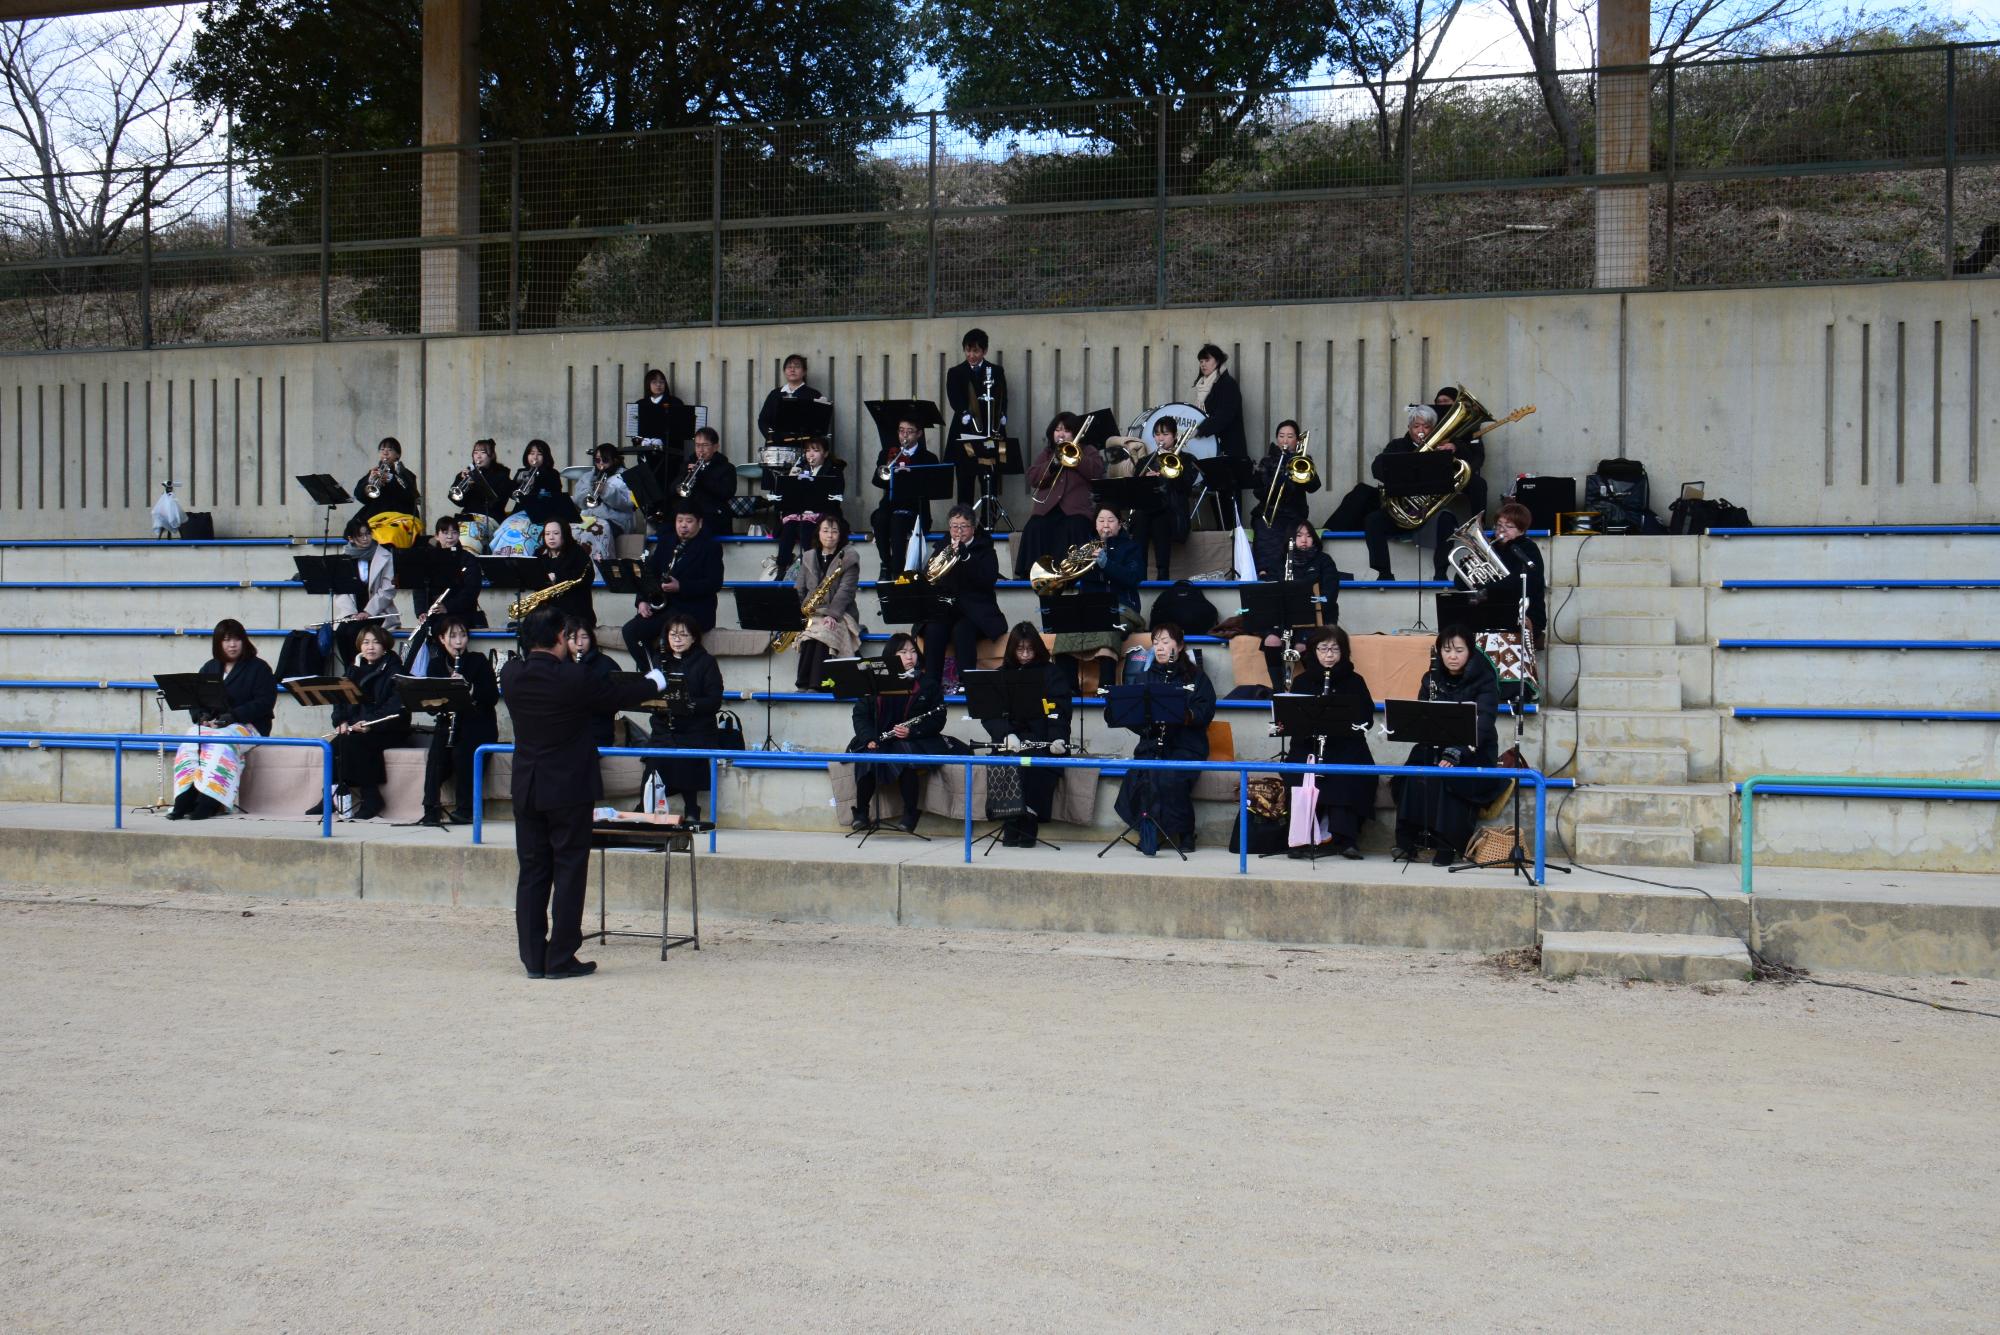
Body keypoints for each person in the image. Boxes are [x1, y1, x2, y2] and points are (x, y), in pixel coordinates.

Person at [500, 606, 668, 979]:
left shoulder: (511, 675)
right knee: (569, 871)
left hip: (527, 786)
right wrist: (655, 681)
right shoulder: (572, 678)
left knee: (532, 873)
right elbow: (615, 695)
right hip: (568, 788)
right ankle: (560, 958)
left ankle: (533, 958)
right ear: (560, 637)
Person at [1392, 625, 1505, 866]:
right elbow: (1422, 714)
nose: (1452, 656)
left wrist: (1458, 751)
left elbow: (1484, 723)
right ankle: (1407, 841)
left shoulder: (1485, 679)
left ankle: (1448, 843)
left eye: (1459, 650)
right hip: (1435, 743)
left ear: (1470, 652)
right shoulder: (1431, 677)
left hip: (1474, 748)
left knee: (1451, 777)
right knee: (1411, 773)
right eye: (1447, 650)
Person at [1112, 622, 1216, 856]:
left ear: (1179, 646)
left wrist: (1186, 715)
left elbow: (1206, 711)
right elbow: (1137, 717)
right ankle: (1146, 831)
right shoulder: (1146, 677)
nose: (1159, 647)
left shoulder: (1197, 677)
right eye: (1156, 642)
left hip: (1186, 745)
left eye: (1165, 642)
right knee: (1138, 775)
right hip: (1152, 742)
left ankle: (1186, 831)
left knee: (1170, 776)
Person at [1275, 625, 1375, 860]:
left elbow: (1366, 718)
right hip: (1309, 744)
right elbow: (1291, 719)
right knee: (1299, 773)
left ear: (1344, 652)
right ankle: (1301, 837)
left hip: (1345, 743)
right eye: (1323, 649)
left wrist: (1349, 723)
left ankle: (1345, 838)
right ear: (1314, 651)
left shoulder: (1355, 681)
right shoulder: (1302, 681)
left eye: (1335, 649)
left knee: (1348, 772)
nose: (1329, 655)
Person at [166, 619, 277, 822]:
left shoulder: (259, 668)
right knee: (190, 737)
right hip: (214, 726)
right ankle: (185, 797)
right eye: (226, 640)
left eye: (236, 639)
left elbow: (265, 702)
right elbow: (195, 700)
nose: (232, 645)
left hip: (248, 725)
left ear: (244, 641)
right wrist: (201, 717)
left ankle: (209, 801)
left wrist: (234, 716)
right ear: (218, 643)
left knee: (221, 740)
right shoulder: (210, 667)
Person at [977, 623, 1073, 848]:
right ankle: (1010, 820)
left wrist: (1057, 738)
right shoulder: (1001, 675)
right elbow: (989, 714)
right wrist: (1006, 734)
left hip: (1043, 738)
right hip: (1011, 739)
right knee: (1005, 760)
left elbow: (1059, 709)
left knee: (1034, 764)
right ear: (1012, 650)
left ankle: (1029, 821)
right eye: (1020, 650)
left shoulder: (1052, 674)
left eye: (1030, 650)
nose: (1025, 655)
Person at [845, 633, 945, 834]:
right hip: (878, 736)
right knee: (868, 754)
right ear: (891, 655)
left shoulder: (928, 683)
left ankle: (910, 813)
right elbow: (860, 714)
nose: (910, 657)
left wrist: (912, 731)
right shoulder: (874, 681)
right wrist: (869, 738)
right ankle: (862, 813)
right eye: (903, 652)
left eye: (913, 652)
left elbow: (938, 719)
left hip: (913, 738)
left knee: (904, 754)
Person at [314, 623, 411, 822]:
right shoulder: (353, 669)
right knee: (334, 745)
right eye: (366, 642)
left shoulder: (396, 670)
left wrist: (369, 723)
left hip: (389, 728)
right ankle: (330, 796)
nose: (370, 647)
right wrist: (340, 721)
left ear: (385, 646)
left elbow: (394, 707)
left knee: (354, 743)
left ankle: (371, 797)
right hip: (359, 727)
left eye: (376, 642)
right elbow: (340, 699)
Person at [1048, 504, 1144, 696]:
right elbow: (1069, 582)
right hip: (1090, 607)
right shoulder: (1086, 548)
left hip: (1123, 608)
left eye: (1111, 520)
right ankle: (1069, 688)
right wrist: (1063, 576)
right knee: (1065, 627)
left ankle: (1105, 687)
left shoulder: (1131, 548)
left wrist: (1107, 564)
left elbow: (1133, 577)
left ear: (1120, 524)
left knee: (1108, 625)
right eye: (1101, 521)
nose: (1105, 525)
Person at [622, 503, 724, 670]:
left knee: (666, 634)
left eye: (689, 521)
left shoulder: (710, 547)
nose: (683, 525)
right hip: (664, 608)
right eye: (680, 520)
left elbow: (714, 583)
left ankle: (666, 679)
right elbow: (649, 574)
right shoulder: (666, 543)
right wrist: (642, 601)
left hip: (693, 610)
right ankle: (652, 676)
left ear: (700, 523)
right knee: (630, 631)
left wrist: (681, 587)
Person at [914, 505, 1006, 690]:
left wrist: (965, 557)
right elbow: (929, 575)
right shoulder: (942, 546)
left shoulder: (985, 549)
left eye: (963, 526)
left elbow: (987, 580)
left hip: (976, 611)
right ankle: (932, 682)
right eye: (954, 526)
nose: (958, 531)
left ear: (973, 528)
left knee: (962, 631)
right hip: (947, 608)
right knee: (933, 628)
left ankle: (966, 682)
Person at [419, 617, 499, 827]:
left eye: (462, 635)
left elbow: (490, 697)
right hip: (449, 723)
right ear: (441, 639)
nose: (459, 641)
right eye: (452, 636)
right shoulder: (436, 665)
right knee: (436, 755)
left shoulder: (478, 661)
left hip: (478, 724)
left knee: (463, 753)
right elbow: (430, 706)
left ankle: (466, 809)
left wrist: (469, 689)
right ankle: (430, 808)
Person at [642, 616, 723, 821]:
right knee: (655, 761)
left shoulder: (706, 662)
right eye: (672, 634)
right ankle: (647, 809)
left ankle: (691, 809)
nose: (677, 639)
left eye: (683, 635)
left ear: (694, 638)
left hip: (695, 727)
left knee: (686, 758)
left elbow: (714, 700)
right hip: (664, 726)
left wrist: (689, 705)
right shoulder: (659, 660)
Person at [1016, 411, 1105, 579]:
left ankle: (1070, 573)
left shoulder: (1088, 450)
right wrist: (1053, 464)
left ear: (1075, 433)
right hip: (1047, 509)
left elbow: (1097, 473)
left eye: (1066, 430)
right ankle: (1032, 573)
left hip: (1076, 510)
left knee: (1075, 526)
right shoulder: (1048, 453)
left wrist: (1076, 457)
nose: (1061, 434)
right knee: (1035, 526)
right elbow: (1033, 478)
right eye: (1057, 430)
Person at [1256, 519, 1343, 690]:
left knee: (1302, 645)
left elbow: (1330, 595)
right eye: (1299, 535)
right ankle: (1279, 690)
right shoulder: (1279, 562)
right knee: (1272, 640)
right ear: (1290, 539)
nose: (1304, 539)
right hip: (1284, 617)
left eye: (1309, 535)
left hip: (1316, 616)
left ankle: (1316, 688)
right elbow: (1270, 593)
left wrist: (1310, 603)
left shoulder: (1324, 561)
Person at [1106, 414, 1193, 580]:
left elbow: (1186, 489)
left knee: (1160, 519)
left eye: (1165, 434)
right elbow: (1134, 491)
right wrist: (1147, 481)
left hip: (1172, 512)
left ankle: (1162, 575)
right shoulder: (1145, 461)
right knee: (1141, 517)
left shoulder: (1186, 460)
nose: (1161, 438)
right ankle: (1139, 574)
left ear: (1175, 437)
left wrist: (1166, 477)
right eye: (1157, 434)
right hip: (1146, 512)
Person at [791, 512, 861, 693]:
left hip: (841, 612)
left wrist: (832, 614)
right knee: (810, 630)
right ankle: (804, 682)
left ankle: (817, 683)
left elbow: (846, 591)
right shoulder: (808, 557)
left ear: (840, 535)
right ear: (818, 533)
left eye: (834, 531)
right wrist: (793, 614)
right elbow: (799, 589)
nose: (830, 535)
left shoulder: (849, 558)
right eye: (825, 531)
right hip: (812, 611)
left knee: (823, 629)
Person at [869, 413, 938, 579]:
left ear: (919, 434)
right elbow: (877, 481)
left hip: (915, 508)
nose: (904, 435)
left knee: (898, 522)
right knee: (879, 518)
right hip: (891, 505)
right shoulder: (888, 454)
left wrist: (912, 475)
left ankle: (897, 570)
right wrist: (891, 472)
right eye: (901, 431)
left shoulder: (928, 458)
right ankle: (886, 563)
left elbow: (934, 488)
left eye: (910, 431)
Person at [944, 328, 1009, 505]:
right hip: (965, 433)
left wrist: (1002, 415)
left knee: (990, 481)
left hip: (989, 433)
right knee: (965, 480)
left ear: (984, 351)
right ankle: (963, 526)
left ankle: (988, 525)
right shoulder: (955, 372)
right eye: (968, 350)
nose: (971, 355)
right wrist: (963, 413)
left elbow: (1002, 396)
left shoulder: (995, 371)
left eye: (976, 351)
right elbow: (954, 398)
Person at [1250, 420, 1321, 578]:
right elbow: (1257, 491)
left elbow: (1314, 487)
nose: (1285, 440)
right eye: (1281, 436)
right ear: (1277, 439)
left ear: (1297, 440)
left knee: (1291, 531)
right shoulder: (1267, 460)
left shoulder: (1302, 459)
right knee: (1265, 529)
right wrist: (1275, 485)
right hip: (1268, 512)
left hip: (1294, 512)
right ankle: (1265, 573)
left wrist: (1299, 475)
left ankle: (1287, 574)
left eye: (1290, 436)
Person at [773, 437, 846, 580]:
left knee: (806, 527)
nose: (810, 455)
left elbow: (836, 497)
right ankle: (782, 567)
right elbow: (786, 499)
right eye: (808, 451)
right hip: (801, 512)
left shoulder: (834, 471)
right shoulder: (800, 469)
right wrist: (791, 479)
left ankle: (812, 569)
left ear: (825, 454)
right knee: (789, 527)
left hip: (823, 513)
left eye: (816, 450)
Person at [1191, 345, 1248, 526]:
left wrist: (1200, 430)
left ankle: (1233, 537)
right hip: (1214, 450)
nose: (1203, 364)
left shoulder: (1227, 384)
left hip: (1228, 450)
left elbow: (1224, 416)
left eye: (1207, 360)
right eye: (1201, 361)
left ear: (1218, 360)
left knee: (1229, 499)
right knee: (1216, 497)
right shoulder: (1205, 385)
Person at [1485, 500, 1546, 636]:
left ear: (1522, 530)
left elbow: (1519, 584)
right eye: (1499, 525)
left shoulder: (1527, 549)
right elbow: (1460, 583)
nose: (1501, 530)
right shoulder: (1490, 547)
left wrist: (1485, 588)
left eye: (1509, 526)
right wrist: (1465, 566)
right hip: (1491, 609)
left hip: (1526, 613)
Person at [574, 442, 637, 560]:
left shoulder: (626, 476)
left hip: (615, 521)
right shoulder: (588, 476)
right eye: (597, 460)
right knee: (570, 531)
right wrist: (589, 489)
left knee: (592, 534)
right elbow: (578, 500)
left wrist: (606, 491)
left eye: (605, 460)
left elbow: (629, 504)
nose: (601, 464)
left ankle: (599, 570)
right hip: (589, 519)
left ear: (615, 460)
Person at [563, 618, 619, 750]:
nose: (579, 643)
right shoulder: (559, 664)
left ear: (592, 639)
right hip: (565, 732)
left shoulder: (606, 664)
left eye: (584, 637)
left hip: (596, 733)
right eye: (573, 638)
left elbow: (616, 700)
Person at [533, 518, 596, 630]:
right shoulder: (539, 554)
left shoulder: (577, 552)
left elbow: (586, 577)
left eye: (556, 533)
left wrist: (557, 576)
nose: (551, 537)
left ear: (565, 534)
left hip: (574, 613)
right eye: (547, 534)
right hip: (546, 612)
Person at [673, 426, 736, 533]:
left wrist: (702, 476)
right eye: (697, 445)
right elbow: (673, 490)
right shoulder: (687, 464)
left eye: (705, 445)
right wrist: (685, 474)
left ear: (716, 447)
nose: (700, 450)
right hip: (691, 518)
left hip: (714, 518)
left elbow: (727, 493)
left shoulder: (727, 467)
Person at [632, 367, 686, 486]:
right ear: (648, 384)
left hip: (669, 456)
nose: (658, 385)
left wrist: (662, 441)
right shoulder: (640, 404)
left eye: (662, 381)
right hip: (646, 454)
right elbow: (633, 431)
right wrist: (641, 441)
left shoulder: (675, 403)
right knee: (648, 487)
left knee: (667, 485)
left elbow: (681, 431)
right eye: (654, 382)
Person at [757, 354, 827, 443]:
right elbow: (763, 420)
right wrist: (771, 437)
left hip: (804, 447)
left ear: (804, 372)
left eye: (797, 367)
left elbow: (819, 425)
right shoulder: (774, 394)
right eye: (789, 367)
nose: (792, 370)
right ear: (784, 371)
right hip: (776, 446)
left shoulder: (814, 394)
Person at [507, 440, 576, 527]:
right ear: (527, 455)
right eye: (532, 453)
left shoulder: (553, 474)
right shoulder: (521, 472)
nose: (535, 457)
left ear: (546, 457)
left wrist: (536, 484)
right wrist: (517, 481)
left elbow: (554, 495)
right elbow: (512, 494)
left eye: (539, 454)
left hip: (542, 514)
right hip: (521, 512)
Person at [353, 436, 420, 524]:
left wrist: (391, 479)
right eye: (382, 449)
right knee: (353, 527)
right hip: (377, 516)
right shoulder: (374, 472)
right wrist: (369, 481)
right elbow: (360, 497)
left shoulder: (405, 473)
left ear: (398, 455)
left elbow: (412, 495)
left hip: (399, 517)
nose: (385, 453)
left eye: (390, 450)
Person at [451, 437, 514, 524]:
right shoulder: (467, 474)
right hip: (468, 516)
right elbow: (458, 502)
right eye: (475, 453)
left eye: (483, 453)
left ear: (492, 455)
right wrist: (461, 482)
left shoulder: (502, 475)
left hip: (490, 518)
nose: (478, 456)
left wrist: (479, 483)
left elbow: (498, 503)